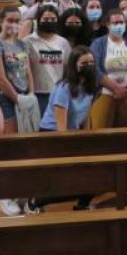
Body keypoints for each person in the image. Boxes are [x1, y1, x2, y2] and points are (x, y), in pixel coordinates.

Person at [26, 46, 98, 214]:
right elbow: (61, 128)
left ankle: (82, 204)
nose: (90, 66)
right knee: (68, 178)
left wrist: (89, 140)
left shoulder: (89, 87)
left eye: (92, 63)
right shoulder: (64, 88)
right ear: (74, 66)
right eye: (85, 63)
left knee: (96, 173)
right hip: (53, 135)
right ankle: (36, 201)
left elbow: (86, 117)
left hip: (72, 134)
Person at [90, 9, 127, 129]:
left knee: (122, 134)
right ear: (108, 24)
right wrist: (115, 88)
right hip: (105, 93)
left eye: (121, 22)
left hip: (126, 96)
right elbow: (95, 69)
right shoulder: (98, 44)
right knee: (101, 134)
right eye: (115, 23)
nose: (119, 25)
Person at [0, 6, 35, 135]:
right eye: (10, 20)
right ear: (1, 21)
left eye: (17, 21)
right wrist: (17, 99)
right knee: (11, 135)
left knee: (27, 133)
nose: (14, 24)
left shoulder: (22, 44)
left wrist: (31, 94)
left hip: (24, 94)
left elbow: (28, 71)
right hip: (6, 96)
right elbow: (0, 79)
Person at [26, 5, 71, 115]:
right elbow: (26, 69)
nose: (49, 22)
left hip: (59, 93)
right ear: (39, 20)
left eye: (53, 19)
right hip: (37, 93)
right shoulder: (28, 41)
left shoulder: (63, 42)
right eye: (46, 19)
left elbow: (68, 69)